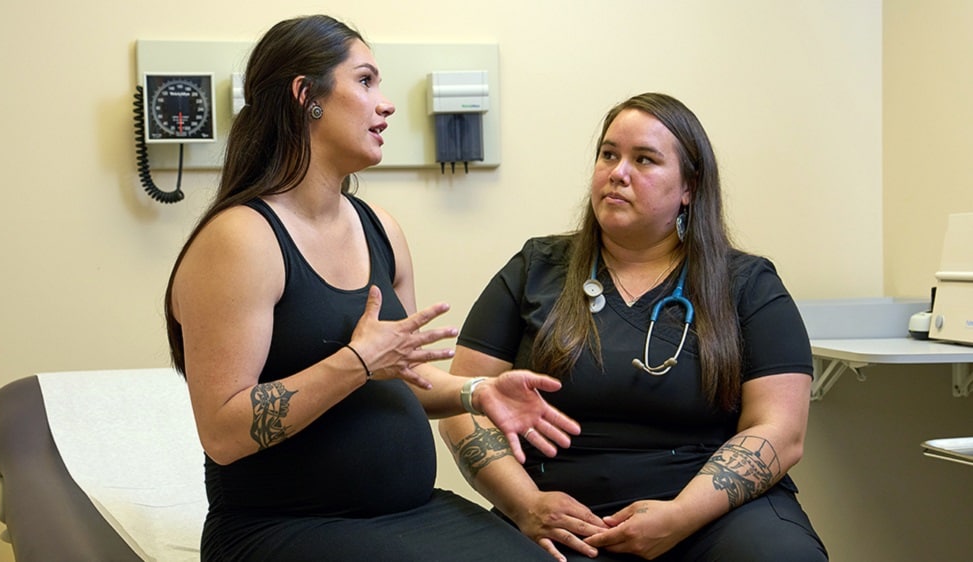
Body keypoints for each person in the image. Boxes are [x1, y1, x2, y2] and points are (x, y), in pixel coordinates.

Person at [163, 15, 579, 561]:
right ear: (306, 95)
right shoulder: (241, 239)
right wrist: (356, 362)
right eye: (365, 81)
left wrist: (474, 392)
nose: (385, 104)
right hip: (284, 528)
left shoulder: (380, 229)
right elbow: (221, 430)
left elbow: (400, 373)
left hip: (412, 514)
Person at [439, 93, 828, 561]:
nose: (617, 173)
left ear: (689, 187)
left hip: (712, 514)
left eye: (644, 160)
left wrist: (680, 516)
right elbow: (462, 402)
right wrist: (525, 505)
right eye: (608, 155)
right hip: (558, 514)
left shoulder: (746, 284)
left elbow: (779, 429)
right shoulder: (536, 269)